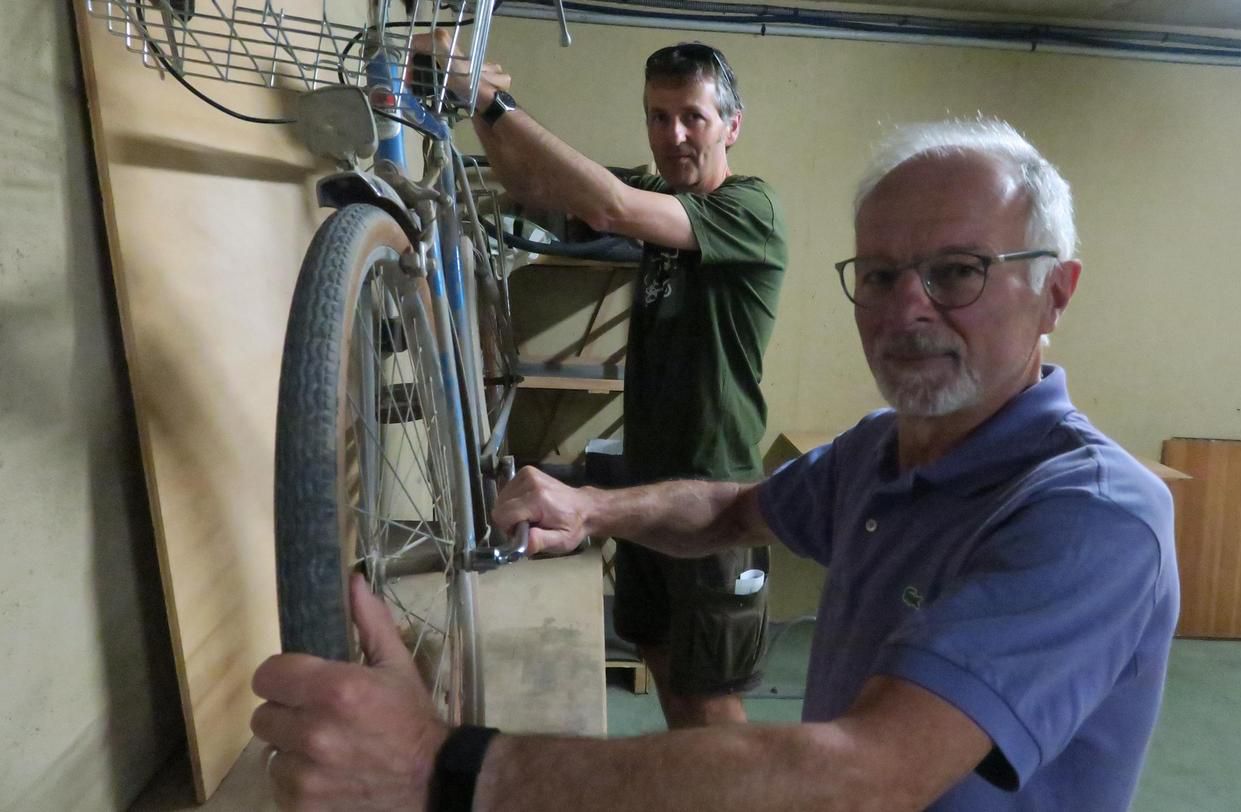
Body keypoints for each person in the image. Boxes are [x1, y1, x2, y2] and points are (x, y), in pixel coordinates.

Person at [252, 118, 1179, 811]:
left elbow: (867, 775)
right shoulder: (880, 449)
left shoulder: (1092, 515)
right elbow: (737, 508)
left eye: (958, 272)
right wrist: (592, 510)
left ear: (1055, 290)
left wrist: (438, 765)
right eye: (882, 274)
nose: (907, 310)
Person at [423, 36, 788, 727]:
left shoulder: (751, 211)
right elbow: (536, 189)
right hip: (647, 486)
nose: (673, 135)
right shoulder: (659, 194)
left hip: (715, 495)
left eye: (692, 117)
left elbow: (612, 208)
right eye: (657, 117)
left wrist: (490, 100)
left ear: (732, 126)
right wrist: (483, 113)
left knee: (713, 708)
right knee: (659, 653)